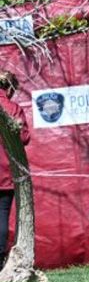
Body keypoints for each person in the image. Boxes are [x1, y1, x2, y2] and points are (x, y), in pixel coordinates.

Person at [0, 70, 31, 267]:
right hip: (5, 172)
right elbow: (24, 137)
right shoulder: (13, 108)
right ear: (8, 88)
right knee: (1, 213)